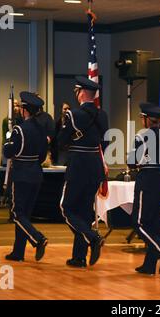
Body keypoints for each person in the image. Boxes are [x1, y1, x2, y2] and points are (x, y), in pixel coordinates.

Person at [57, 76, 108, 268]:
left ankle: (91, 237)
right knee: (85, 212)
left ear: (82, 93)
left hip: (78, 165)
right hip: (95, 165)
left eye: (77, 91)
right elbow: (105, 141)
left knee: (67, 208)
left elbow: (61, 140)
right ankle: (79, 257)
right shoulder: (102, 115)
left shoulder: (73, 114)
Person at [127, 102, 160, 275]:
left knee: (138, 222)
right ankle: (149, 264)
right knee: (154, 224)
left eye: (142, 118)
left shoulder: (142, 136)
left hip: (147, 178)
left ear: (148, 120)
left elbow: (132, 162)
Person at [3, 91, 49, 262]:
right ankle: (18, 252)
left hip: (21, 174)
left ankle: (38, 239)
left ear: (25, 110)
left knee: (16, 214)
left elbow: (9, 152)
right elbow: (43, 156)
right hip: (36, 174)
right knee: (24, 215)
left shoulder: (19, 129)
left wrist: (8, 141)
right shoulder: (42, 130)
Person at [1, 99, 23, 165]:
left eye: (17, 105)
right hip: (8, 146)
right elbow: (4, 136)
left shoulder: (22, 120)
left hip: (19, 148)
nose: (15, 107)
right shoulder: (6, 120)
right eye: (13, 105)